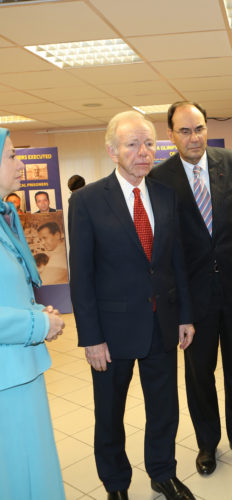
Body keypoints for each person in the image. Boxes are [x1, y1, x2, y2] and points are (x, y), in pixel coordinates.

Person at [69, 111, 195, 500]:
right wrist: (91, 337)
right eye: (133, 144)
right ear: (112, 150)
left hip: (161, 324)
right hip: (111, 333)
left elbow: (176, 261)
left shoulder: (165, 196)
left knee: (165, 408)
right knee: (109, 414)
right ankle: (116, 484)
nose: (144, 152)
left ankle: (162, 472)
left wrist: (185, 315)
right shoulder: (87, 201)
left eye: (149, 143)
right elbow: (82, 276)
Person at [149, 101, 232, 476]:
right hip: (192, 295)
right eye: (185, 131)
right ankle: (207, 444)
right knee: (199, 374)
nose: (194, 137)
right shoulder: (159, 179)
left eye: (199, 129)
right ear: (170, 135)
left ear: (207, 129)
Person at [0, 127, 66, 499]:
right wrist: (38, 322)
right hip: (6, 381)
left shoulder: (4, 220)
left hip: (20, 370)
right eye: (10, 155)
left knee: (31, 468)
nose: (20, 164)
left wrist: (37, 309)